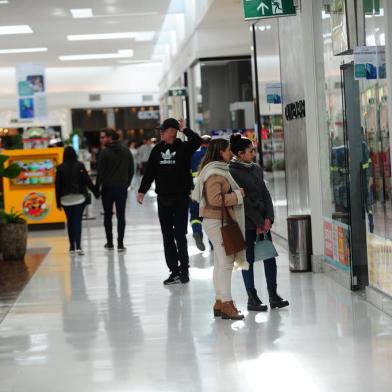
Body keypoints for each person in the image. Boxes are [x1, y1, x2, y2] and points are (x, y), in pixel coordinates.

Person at [137, 118, 202, 285]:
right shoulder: (157, 149)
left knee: (180, 234)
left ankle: (184, 270)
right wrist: (142, 190)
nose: (160, 133)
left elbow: (197, 140)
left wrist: (184, 129)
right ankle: (174, 271)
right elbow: (150, 172)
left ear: (172, 131)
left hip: (180, 198)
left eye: (163, 130)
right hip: (163, 199)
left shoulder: (184, 148)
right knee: (167, 236)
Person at [229, 133, 289, 310]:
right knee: (248, 259)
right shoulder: (232, 172)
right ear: (240, 153)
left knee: (270, 257)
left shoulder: (256, 168)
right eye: (250, 151)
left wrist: (269, 218)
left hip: (264, 222)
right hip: (247, 222)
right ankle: (252, 297)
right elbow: (243, 201)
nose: (253, 154)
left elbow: (265, 193)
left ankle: (273, 294)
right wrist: (258, 222)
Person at [192, 138, 248, 320]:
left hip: (216, 220)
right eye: (228, 150)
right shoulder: (215, 173)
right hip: (218, 221)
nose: (231, 153)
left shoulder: (215, 169)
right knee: (226, 262)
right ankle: (227, 303)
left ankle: (219, 302)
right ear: (220, 152)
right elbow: (215, 200)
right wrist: (237, 195)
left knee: (220, 262)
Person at [55, 146, 99, 255]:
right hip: (79, 198)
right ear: (75, 154)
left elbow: (57, 186)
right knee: (77, 221)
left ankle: (71, 247)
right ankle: (78, 246)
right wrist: (96, 192)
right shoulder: (80, 166)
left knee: (70, 222)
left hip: (65, 200)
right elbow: (87, 181)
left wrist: (58, 202)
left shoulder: (60, 168)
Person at [96, 128, 134, 252]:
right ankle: (121, 244)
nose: (101, 140)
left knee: (108, 216)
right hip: (121, 188)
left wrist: (97, 189)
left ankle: (110, 243)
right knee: (121, 215)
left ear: (110, 138)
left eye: (103, 137)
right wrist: (126, 184)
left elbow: (100, 174)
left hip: (107, 188)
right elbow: (131, 170)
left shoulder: (104, 152)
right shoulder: (126, 151)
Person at [189, 135, 211, 251]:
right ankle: (213, 244)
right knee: (212, 216)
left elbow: (186, 173)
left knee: (195, 215)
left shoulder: (193, 155)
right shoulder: (214, 156)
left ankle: (197, 231)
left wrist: (189, 190)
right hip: (211, 191)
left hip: (195, 189)